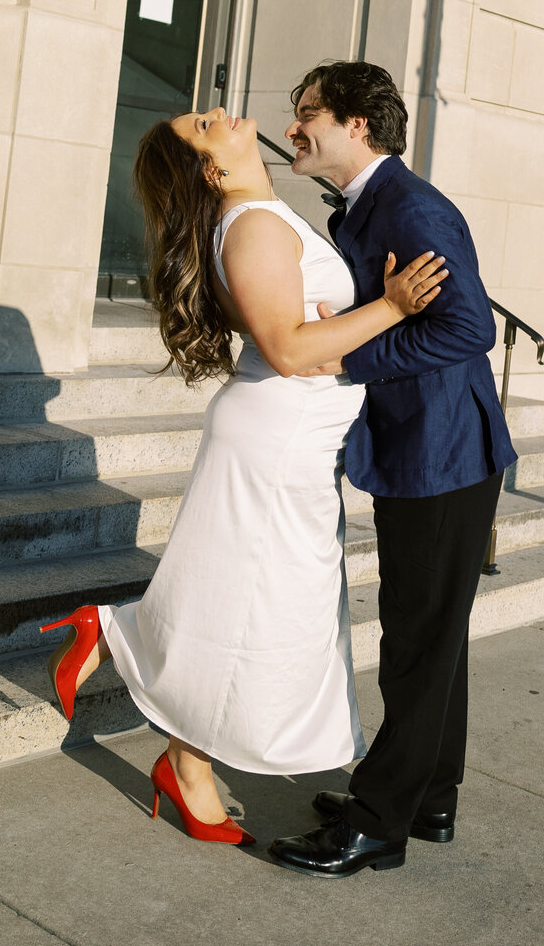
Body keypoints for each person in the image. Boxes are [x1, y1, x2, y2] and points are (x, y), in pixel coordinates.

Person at [40, 105, 446, 846]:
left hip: (290, 432)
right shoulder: (254, 226)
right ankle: (139, 673)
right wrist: (389, 306)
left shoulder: (262, 214)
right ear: (210, 167)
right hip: (280, 434)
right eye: (203, 125)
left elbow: (301, 338)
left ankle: (176, 747)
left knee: (248, 605)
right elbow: (290, 349)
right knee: (267, 611)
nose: (221, 112)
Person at [268, 61, 515, 878]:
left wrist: (353, 356)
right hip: (425, 450)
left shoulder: (409, 207)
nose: (295, 127)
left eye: (308, 114)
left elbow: (467, 328)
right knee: (432, 633)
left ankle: (379, 822)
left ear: (357, 127)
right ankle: (429, 795)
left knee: (416, 638)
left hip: (442, 454)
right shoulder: (369, 206)